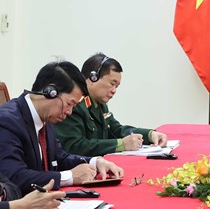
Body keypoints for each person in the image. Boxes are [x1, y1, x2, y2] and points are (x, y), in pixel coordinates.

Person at [0, 61, 123, 196]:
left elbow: (60, 158)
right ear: (50, 92)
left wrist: (95, 162)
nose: (69, 112)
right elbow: (14, 177)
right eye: (69, 104)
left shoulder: (46, 118)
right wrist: (69, 177)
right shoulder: (7, 121)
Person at [54, 53, 167, 156]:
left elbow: (116, 129)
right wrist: (120, 144)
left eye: (116, 87)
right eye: (112, 84)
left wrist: (149, 135)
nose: (114, 91)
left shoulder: (99, 103)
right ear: (93, 78)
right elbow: (75, 146)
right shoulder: (74, 105)